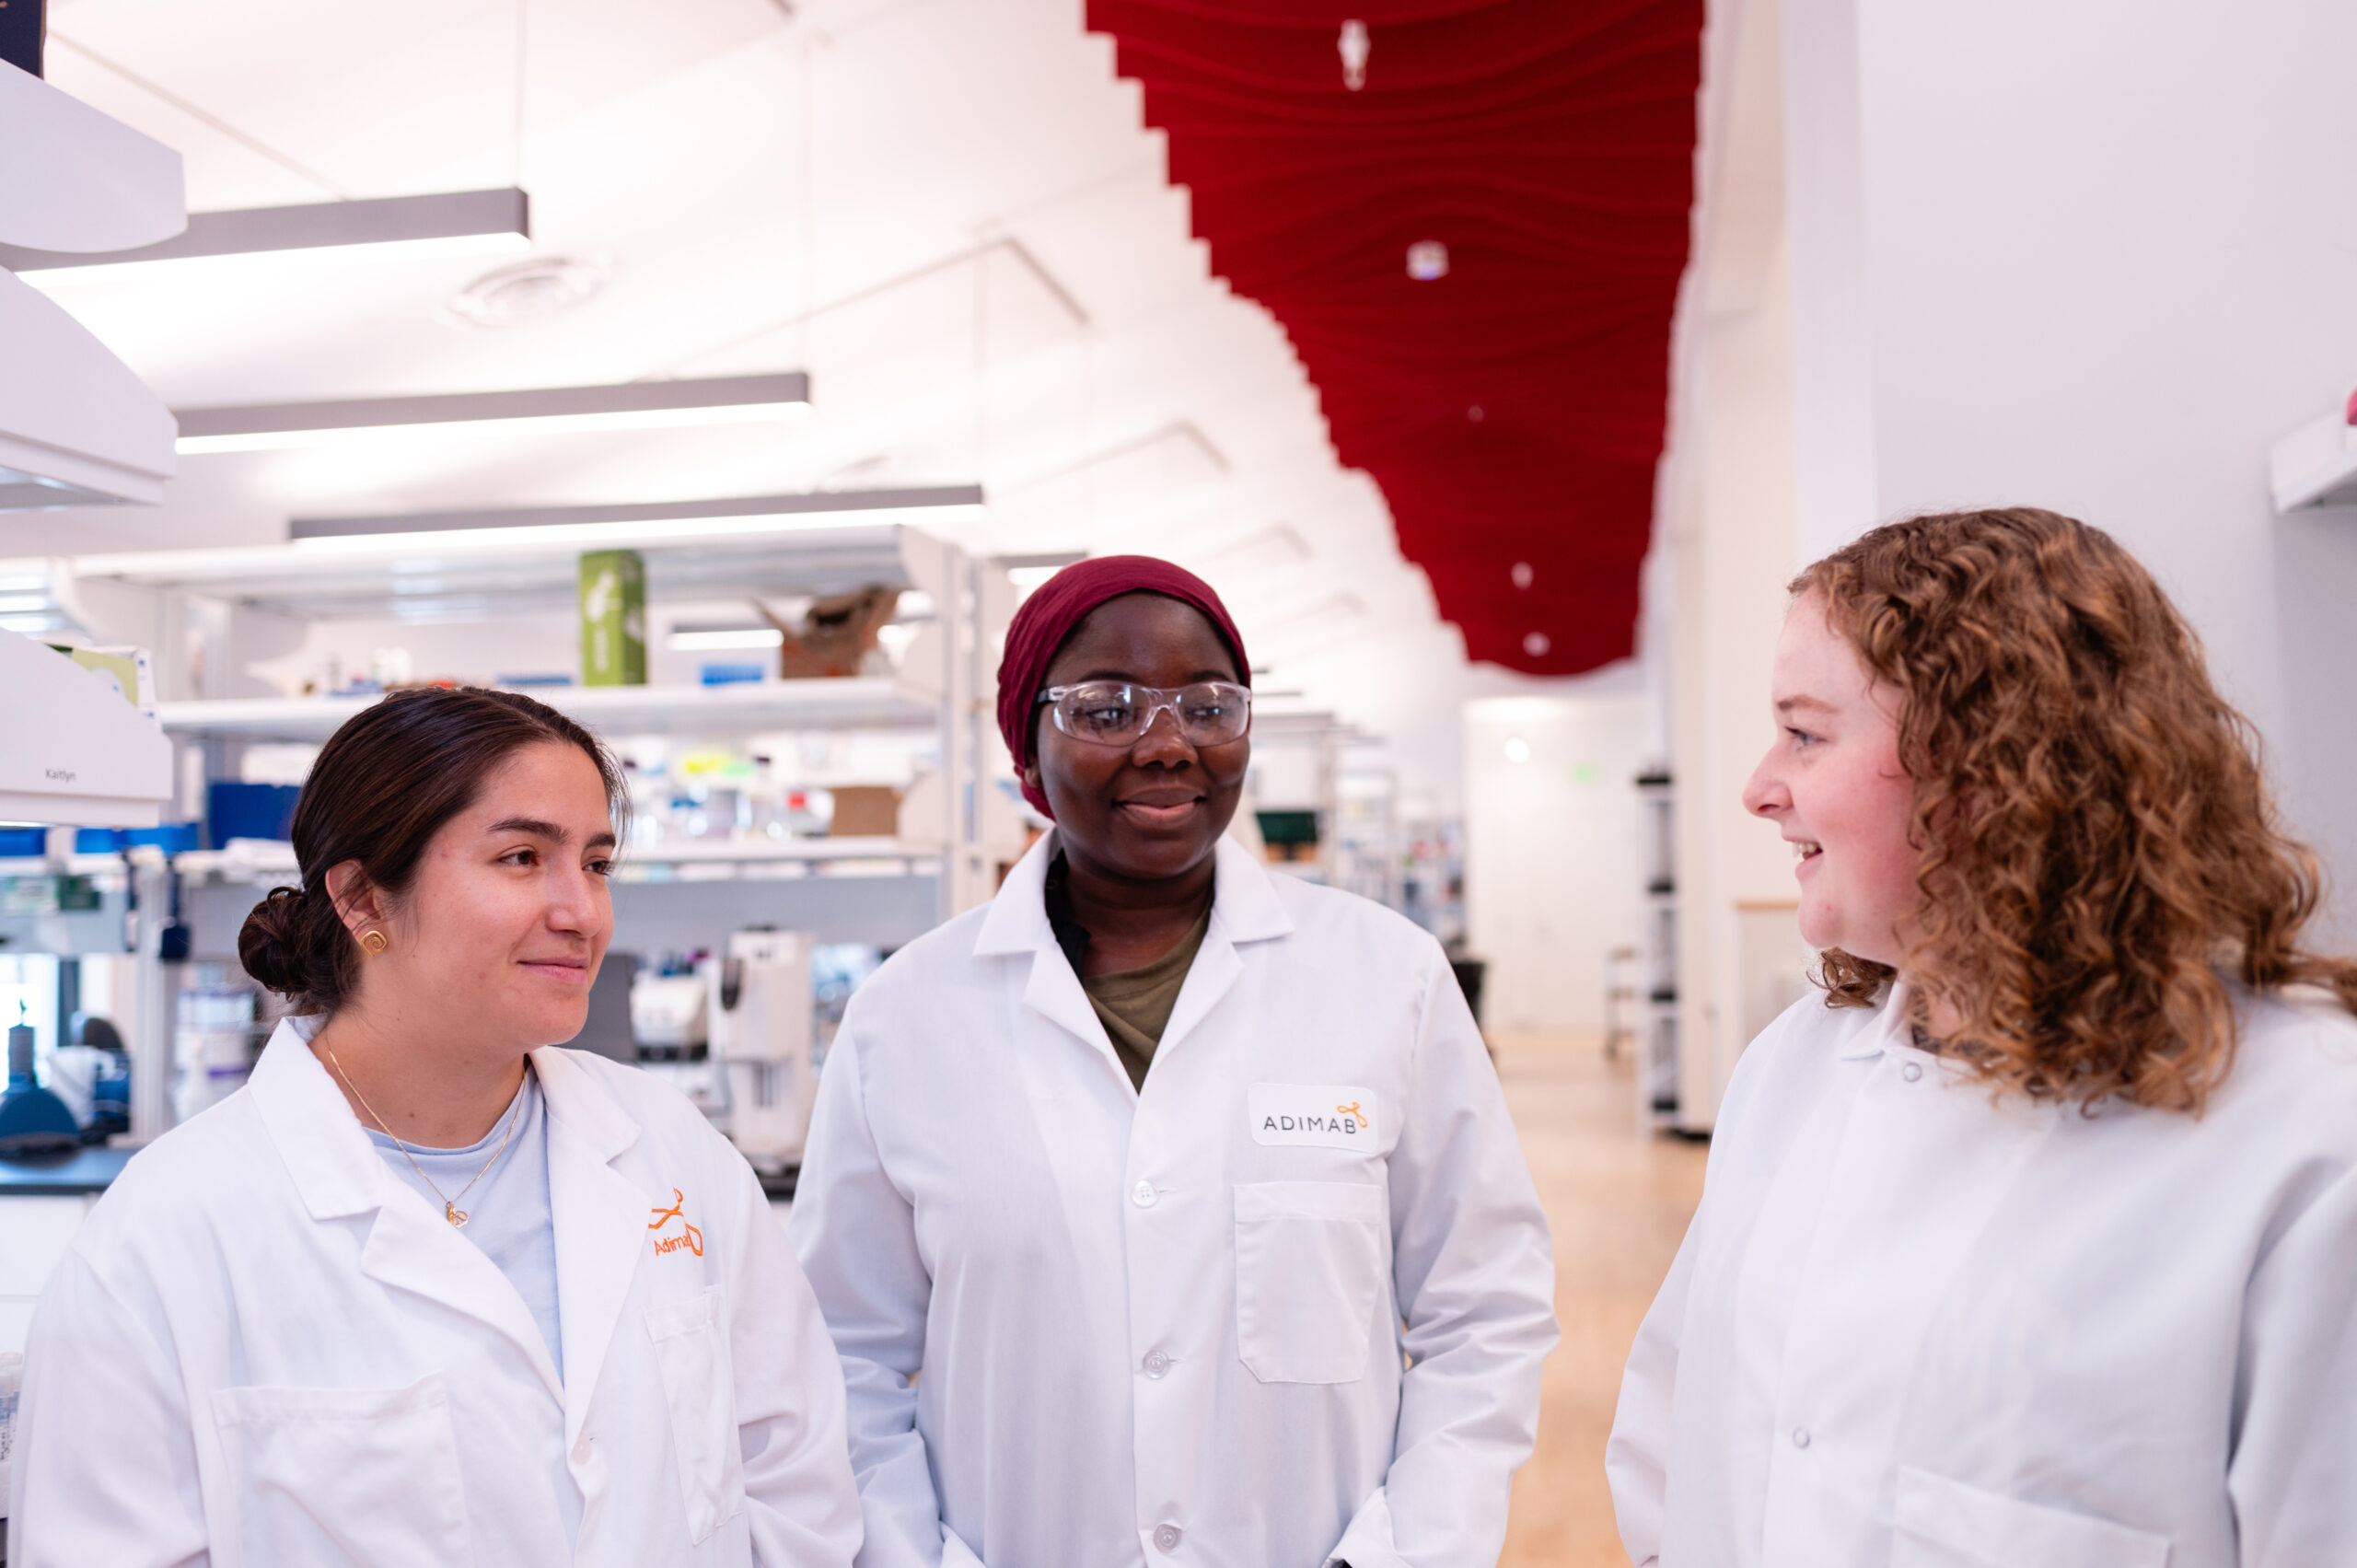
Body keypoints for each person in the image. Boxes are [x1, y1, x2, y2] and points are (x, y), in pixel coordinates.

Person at [1607, 508, 2357, 1566]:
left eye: (1805, 733)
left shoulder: (2307, 1134)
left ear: (1986, 763)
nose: (1759, 787)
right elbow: (1675, 1449)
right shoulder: (1795, 1066)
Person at [790, 556, 1558, 1568]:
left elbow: (1485, 1309)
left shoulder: (1387, 978)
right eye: (1106, 709)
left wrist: (1407, 1549)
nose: (1166, 743)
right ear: (1027, 747)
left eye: (1207, 705)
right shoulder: (906, 1017)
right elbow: (842, 1352)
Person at [9, 687, 862, 1567]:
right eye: (523, 857)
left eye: (596, 863)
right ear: (363, 900)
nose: (582, 911)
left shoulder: (670, 1148)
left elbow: (795, 1491)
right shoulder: (162, 1237)